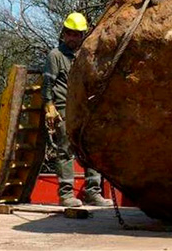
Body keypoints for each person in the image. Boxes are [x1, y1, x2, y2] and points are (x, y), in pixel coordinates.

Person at [41, 12, 112, 207]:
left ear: (83, 35)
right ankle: (66, 195)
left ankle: (92, 192)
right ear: (64, 34)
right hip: (64, 109)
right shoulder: (55, 56)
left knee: (90, 148)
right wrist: (49, 105)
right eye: (70, 34)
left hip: (84, 109)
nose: (73, 38)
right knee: (65, 151)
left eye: (77, 34)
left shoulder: (85, 55)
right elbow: (48, 82)